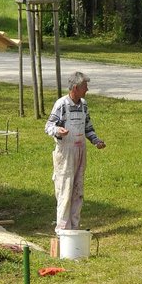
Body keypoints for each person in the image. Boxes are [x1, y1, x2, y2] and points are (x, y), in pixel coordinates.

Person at [45, 72, 106, 231]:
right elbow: (48, 127)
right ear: (75, 88)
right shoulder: (61, 104)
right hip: (65, 153)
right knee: (65, 191)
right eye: (85, 86)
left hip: (80, 152)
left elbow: (88, 127)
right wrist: (58, 130)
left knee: (78, 191)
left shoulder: (83, 104)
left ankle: (75, 227)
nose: (87, 89)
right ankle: (62, 230)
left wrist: (96, 141)